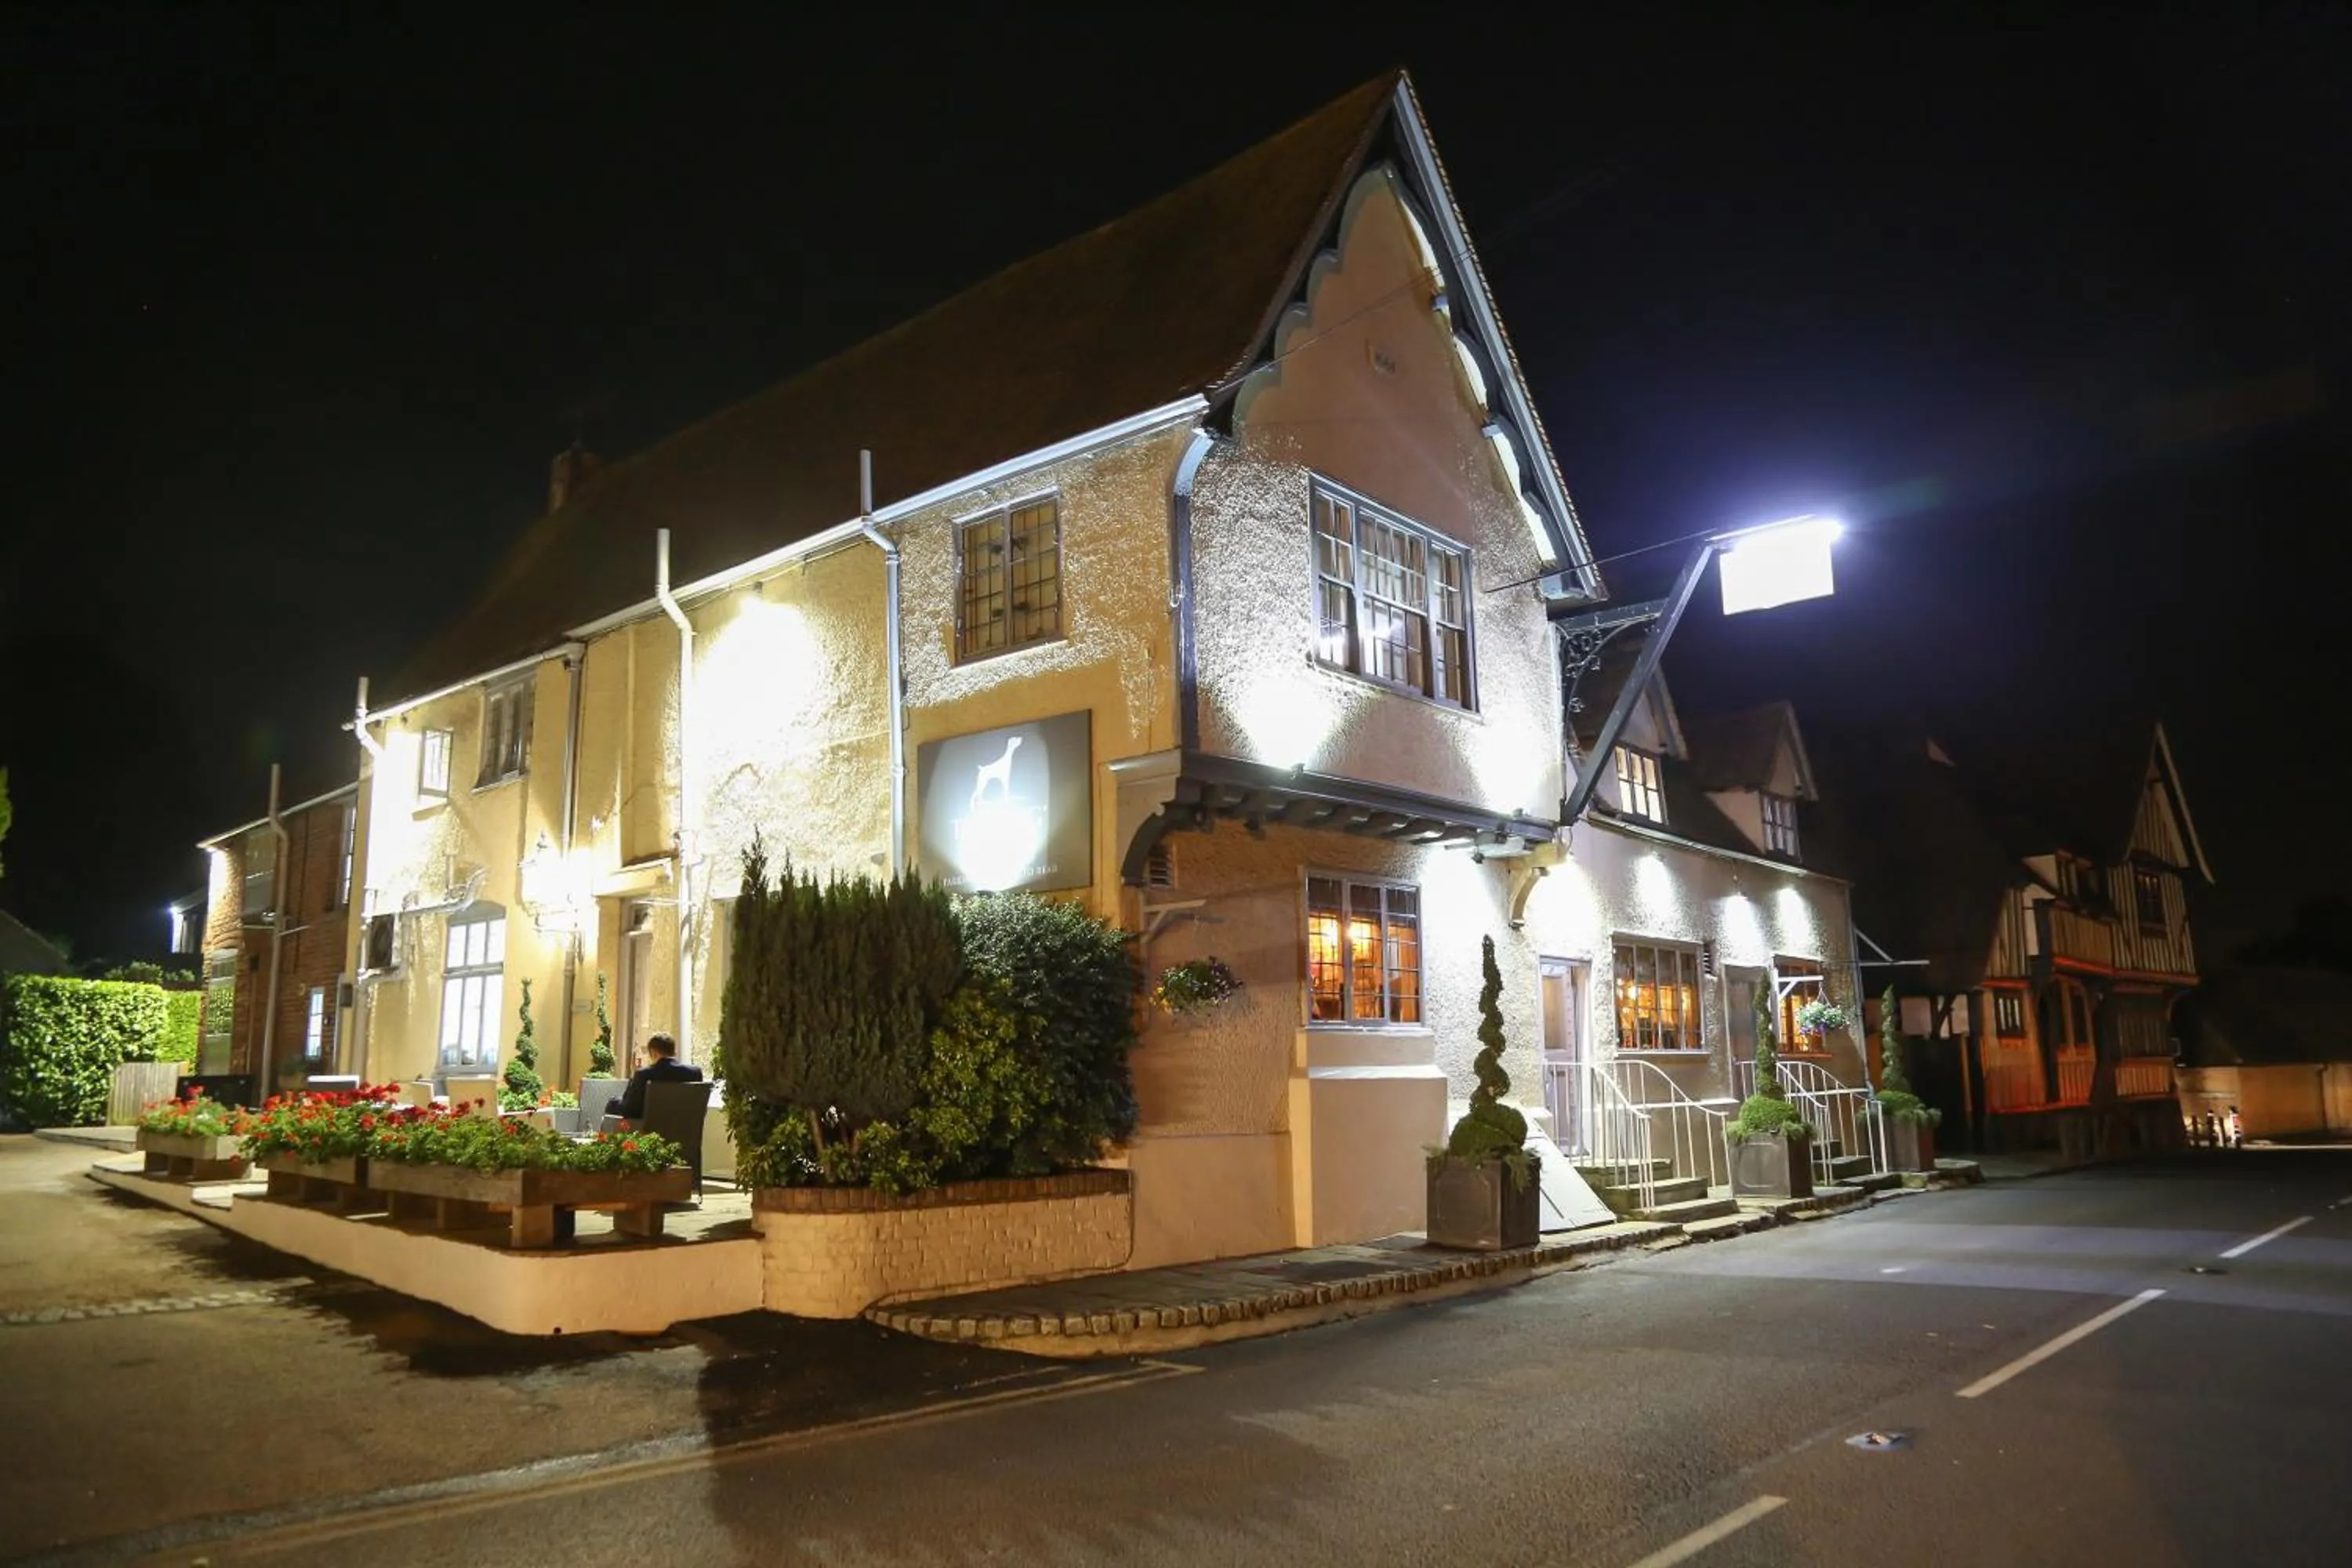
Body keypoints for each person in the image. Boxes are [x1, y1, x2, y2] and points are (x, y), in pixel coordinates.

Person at [612, 1033, 703, 1127]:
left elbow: (629, 1111)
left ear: (653, 1053)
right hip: (685, 1129)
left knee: (613, 1103)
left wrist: (634, 1076)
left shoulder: (644, 1075)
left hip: (650, 1135)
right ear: (674, 1052)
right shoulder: (695, 1073)